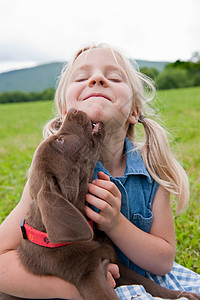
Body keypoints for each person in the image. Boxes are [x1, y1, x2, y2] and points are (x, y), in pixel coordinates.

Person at [0, 43, 199, 300]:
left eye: (114, 78)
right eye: (82, 78)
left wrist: (116, 223)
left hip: (142, 285)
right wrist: (78, 289)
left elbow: (163, 262)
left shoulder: (152, 173)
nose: (97, 79)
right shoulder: (53, 174)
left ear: (134, 111)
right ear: (64, 113)